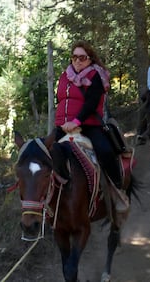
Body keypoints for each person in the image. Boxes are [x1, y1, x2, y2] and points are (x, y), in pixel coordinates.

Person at [54, 40, 128, 212]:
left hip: (88, 124)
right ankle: (51, 198)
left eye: (82, 57)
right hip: (63, 126)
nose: (78, 61)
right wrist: (63, 123)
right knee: (46, 152)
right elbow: (61, 100)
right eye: (74, 57)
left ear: (90, 59)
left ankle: (117, 189)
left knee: (105, 150)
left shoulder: (96, 75)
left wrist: (76, 122)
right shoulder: (65, 76)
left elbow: (91, 103)